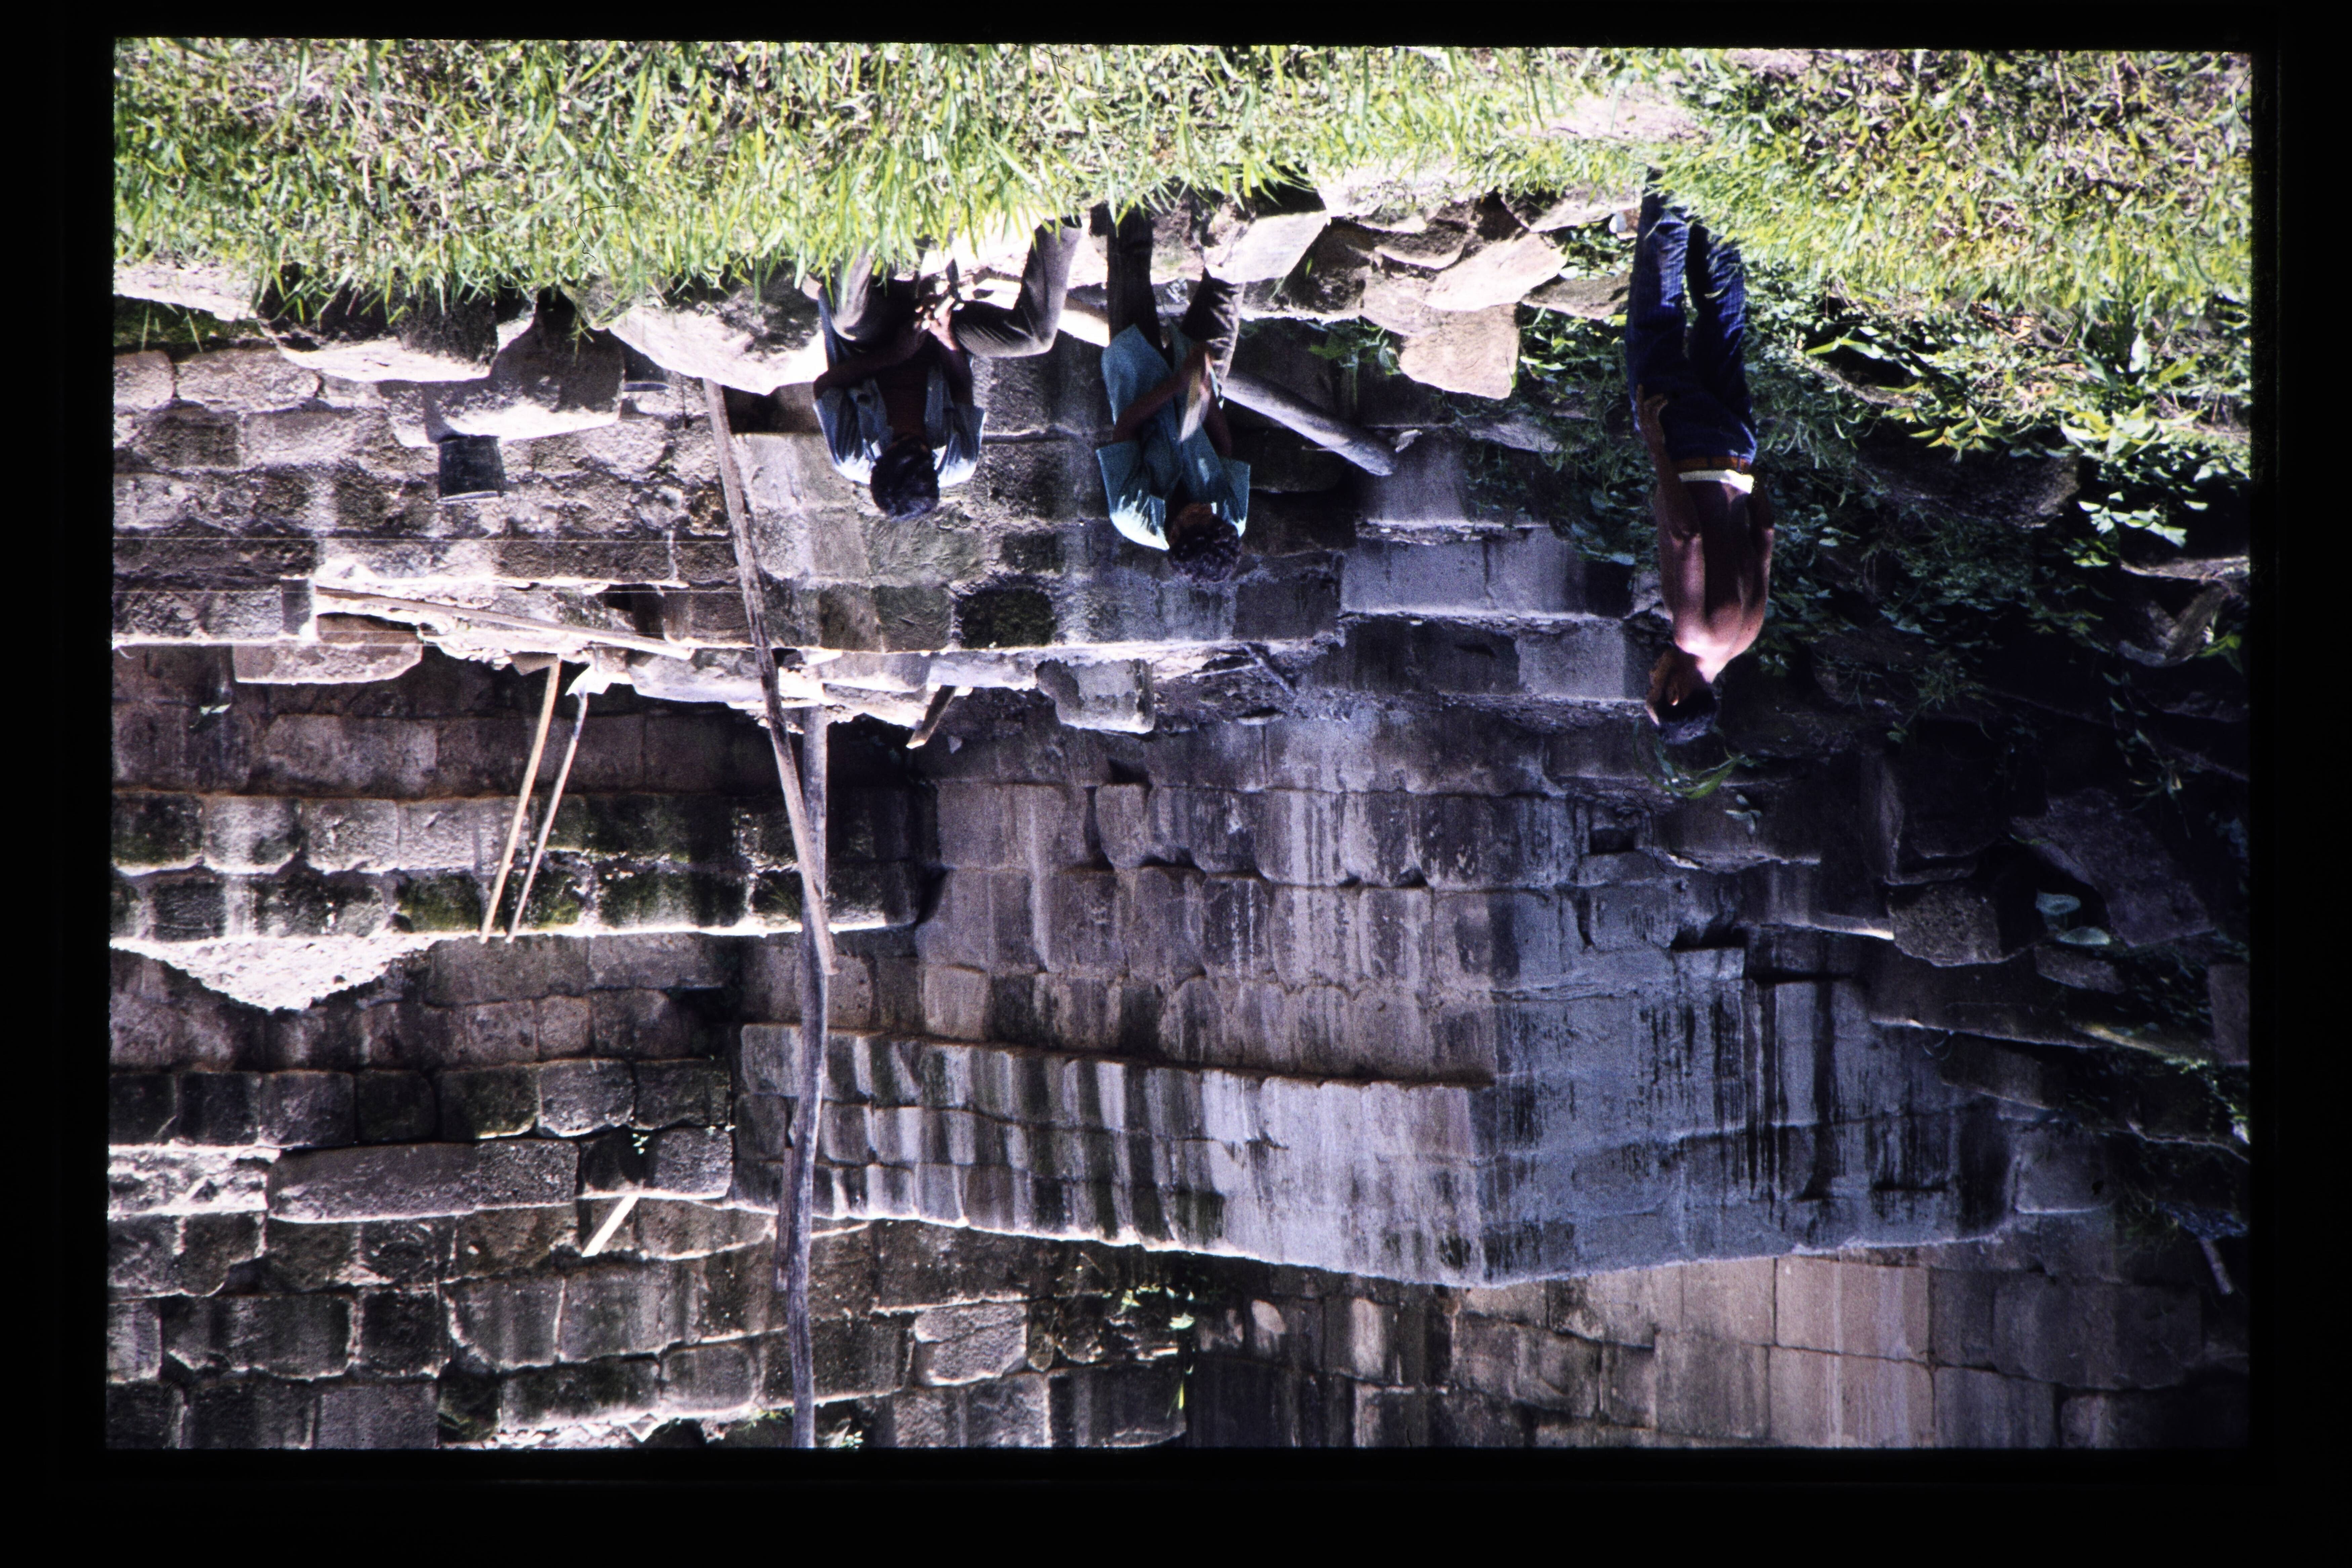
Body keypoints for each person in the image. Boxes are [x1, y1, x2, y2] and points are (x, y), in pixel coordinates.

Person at [1624, 191, 1775, 743]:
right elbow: (1686, 535)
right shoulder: (1691, 634)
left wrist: (1742, 470)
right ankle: (1672, 190)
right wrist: (1657, 446)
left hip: (1737, 451)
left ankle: (1722, 204)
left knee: (1723, 328)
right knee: (1655, 328)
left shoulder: (1745, 636)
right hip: (1686, 446)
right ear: (1675, 693)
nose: (1652, 673)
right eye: (1652, 687)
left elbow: (1765, 530)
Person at [812, 218, 1087, 519]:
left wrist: (893, 355)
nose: (911, 434)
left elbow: (825, 386)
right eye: (920, 444)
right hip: (938, 340)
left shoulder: (851, 456)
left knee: (845, 318)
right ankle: (1063, 222)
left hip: (875, 339)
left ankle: (861, 216)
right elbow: (961, 385)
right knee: (1036, 339)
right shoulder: (959, 461)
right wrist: (946, 339)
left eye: (900, 441)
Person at [1094, 207, 1250, 583]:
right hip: (1200, 389)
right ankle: (1239, 199)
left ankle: (1126, 188)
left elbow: (1126, 427)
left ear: (1174, 534)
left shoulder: (1130, 515)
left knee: (1130, 263)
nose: (1205, 508)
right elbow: (1225, 448)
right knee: (1229, 281)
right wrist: (1203, 391)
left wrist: (1178, 384)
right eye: (1211, 514)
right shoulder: (1231, 520)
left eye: (1197, 515)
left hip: (1139, 377)